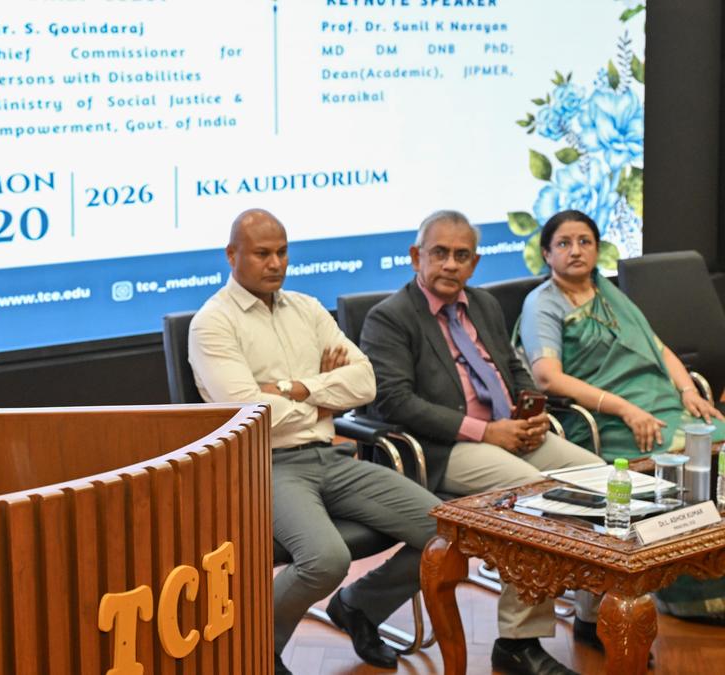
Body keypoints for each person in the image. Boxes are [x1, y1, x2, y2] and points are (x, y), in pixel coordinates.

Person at [188, 208, 438, 673]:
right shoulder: (212, 324)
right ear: (231, 255)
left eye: (282, 252)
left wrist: (291, 388)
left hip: (331, 456)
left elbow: (365, 383)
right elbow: (249, 412)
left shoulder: (305, 308)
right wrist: (323, 396)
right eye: (262, 253)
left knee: (445, 532)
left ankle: (360, 606)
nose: (276, 263)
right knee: (325, 558)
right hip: (266, 465)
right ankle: (250, 649)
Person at [361, 210, 602, 675]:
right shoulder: (389, 317)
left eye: (461, 255)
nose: (450, 265)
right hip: (444, 448)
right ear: (416, 257)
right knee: (537, 498)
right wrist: (486, 431)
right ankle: (517, 642)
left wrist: (532, 413)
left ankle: (592, 615)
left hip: (510, 434)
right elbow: (394, 403)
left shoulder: (485, 304)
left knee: (596, 478)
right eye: (440, 253)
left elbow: (513, 369)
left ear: (474, 263)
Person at [519, 208, 725, 624]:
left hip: (661, 406)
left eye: (585, 242)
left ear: (597, 249)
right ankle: (684, 594)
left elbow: (658, 346)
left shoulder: (609, 294)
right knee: (681, 465)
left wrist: (687, 391)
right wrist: (626, 409)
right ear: (547, 253)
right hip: (603, 419)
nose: (576, 251)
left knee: (716, 447)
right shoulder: (543, 304)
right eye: (564, 243)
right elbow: (546, 376)